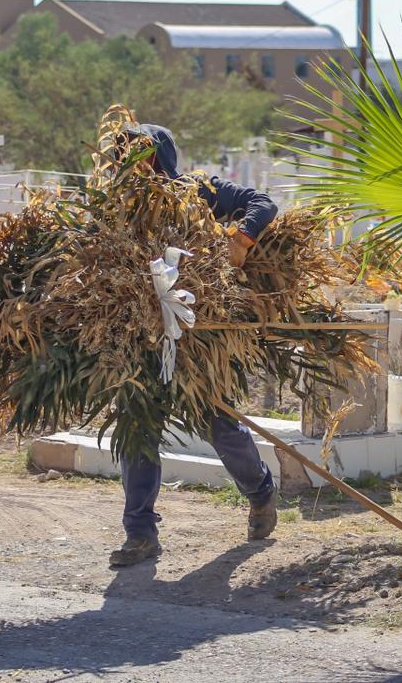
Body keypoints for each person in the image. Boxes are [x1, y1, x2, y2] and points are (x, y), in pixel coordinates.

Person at [109, 123, 279, 568]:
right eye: (123, 156)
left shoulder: (195, 191)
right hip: (142, 336)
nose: (132, 165)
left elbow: (263, 202)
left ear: (160, 157)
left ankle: (260, 493)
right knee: (138, 427)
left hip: (196, 333)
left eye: (141, 155)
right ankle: (140, 533)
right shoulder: (117, 209)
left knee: (218, 424)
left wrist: (241, 239)